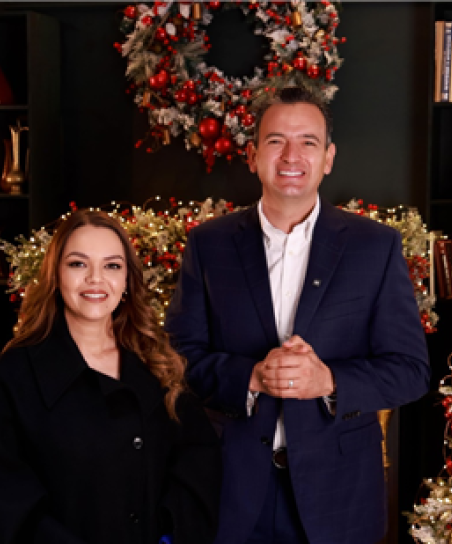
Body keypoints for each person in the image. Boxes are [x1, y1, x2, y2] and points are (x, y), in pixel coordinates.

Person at [165, 87, 430, 544]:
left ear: (328, 158)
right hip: (231, 489)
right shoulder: (209, 245)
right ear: (252, 156)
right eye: (276, 141)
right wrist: (251, 377)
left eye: (308, 142)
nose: (291, 156)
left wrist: (329, 381)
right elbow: (176, 358)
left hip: (340, 496)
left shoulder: (375, 246)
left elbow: (411, 370)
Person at [0, 210, 222, 544]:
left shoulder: (157, 360)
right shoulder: (15, 374)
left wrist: (169, 537)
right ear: (56, 275)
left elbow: (197, 460)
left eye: (112, 266)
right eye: (78, 264)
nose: (96, 279)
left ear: (127, 280)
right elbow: (3, 497)